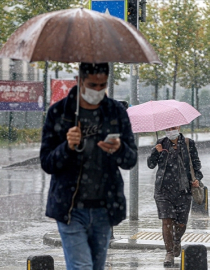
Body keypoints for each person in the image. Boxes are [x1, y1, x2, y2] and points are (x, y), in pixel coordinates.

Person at [40, 62, 137, 270]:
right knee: (81, 267)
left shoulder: (116, 112)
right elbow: (47, 162)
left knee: (95, 267)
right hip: (70, 208)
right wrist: (67, 147)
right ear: (80, 81)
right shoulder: (59, 113)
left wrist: (119, 148)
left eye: (103, 86)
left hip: (104, 207)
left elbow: (131, 160)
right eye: (93, 85)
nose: (98, 91)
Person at [147, 126, 203, 267]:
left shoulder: (188, 143)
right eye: (168, 128)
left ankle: (176, 240)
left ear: (178, 127)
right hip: (163, 190)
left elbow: (196, 166)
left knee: (181, 223)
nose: (170, 130)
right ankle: (169, 253)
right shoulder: (160, 143)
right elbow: (150, 164)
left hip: (183, 190)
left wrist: (196, 179)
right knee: (166, 221)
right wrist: (155, 151)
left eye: (173, 128)